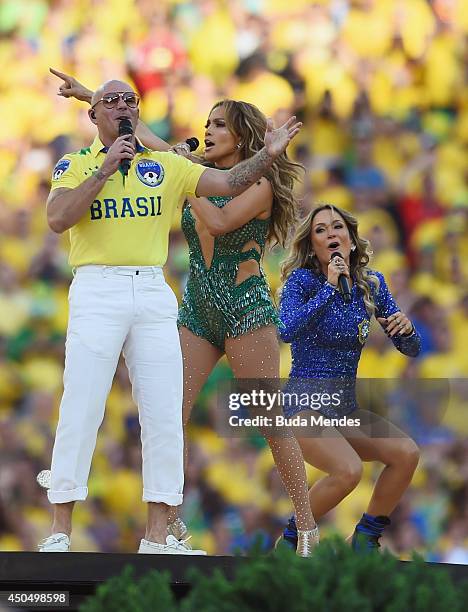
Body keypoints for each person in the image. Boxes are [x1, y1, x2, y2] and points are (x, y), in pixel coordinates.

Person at [48, 69, 319, 556]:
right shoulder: (175, 164)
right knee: (169, 413)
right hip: (196, 303)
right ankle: (168, 530)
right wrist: (94, 98)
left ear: (243, 137)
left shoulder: (257, 183)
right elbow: (139, 131)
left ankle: (306, 526)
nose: (208, 130)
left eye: (219, 124)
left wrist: (181, 176)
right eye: (209, 122)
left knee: (266, 414)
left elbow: (216, 217)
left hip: (242, 305)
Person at [277, 204, 421, 552]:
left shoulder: (371, 284)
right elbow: (285, 329)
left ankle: (364, 539)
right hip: (304, 405)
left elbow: (411, 349)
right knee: (348, 471)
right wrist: (327, 289)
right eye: (321, 230)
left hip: (344, 409)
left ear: (352, 241)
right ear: (312, 246)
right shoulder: (302, 282)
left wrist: (406, 331)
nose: (331, 235)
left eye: (337, 227)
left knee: (406, 454)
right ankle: (292, 540)